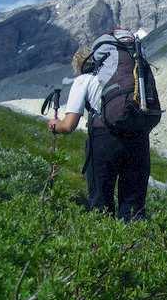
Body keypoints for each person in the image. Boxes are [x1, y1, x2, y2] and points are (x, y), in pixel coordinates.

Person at [47, 46, 150, 222]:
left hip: (104, 140)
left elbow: (69, 125)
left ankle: (103, 245)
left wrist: (55, 125)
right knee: (133, 207)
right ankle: (136, 245)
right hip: (138, 139)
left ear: (79, 65)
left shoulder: (84, 80)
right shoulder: (130, 76)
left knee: (101, 202)